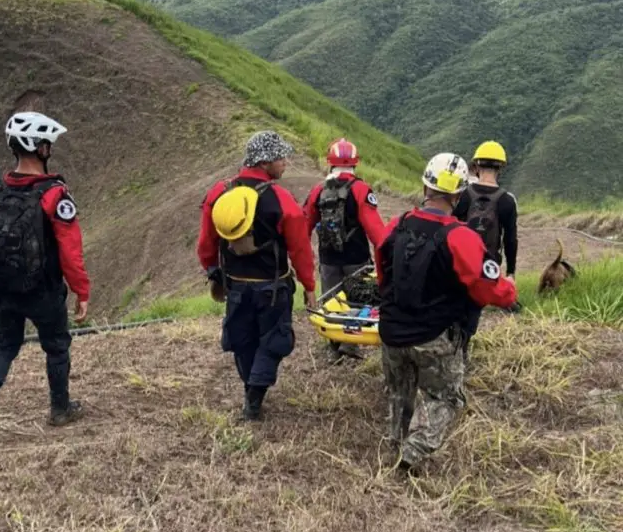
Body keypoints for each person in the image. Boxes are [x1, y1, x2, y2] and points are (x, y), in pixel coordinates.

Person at [375, 153, 517, 473]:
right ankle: (411, 455)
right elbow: (486, 288)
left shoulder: (395, 226)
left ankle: (395, 443)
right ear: (458, 195)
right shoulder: (460, 237)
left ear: (425, 185)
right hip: (434, 335)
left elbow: (383, 274)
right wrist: (509, 290)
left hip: (392, 331)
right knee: (446, 398)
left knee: (399, 393)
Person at [0, 111, 91, 441]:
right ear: (39, 147)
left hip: (2, 288)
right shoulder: (54, 195)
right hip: (43, 290)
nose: (50, 148)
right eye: (47, 143)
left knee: (3, 346)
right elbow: (70, 251)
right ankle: (60, 409)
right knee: (57, 346)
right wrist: (81, 291)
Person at [197, 130, 317, 421]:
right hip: (273, 288)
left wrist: (213, 271)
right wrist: (309, 286)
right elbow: (299, 248)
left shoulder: (219, 193)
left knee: (243, 340)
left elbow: (206, 243)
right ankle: (254, 397)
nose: (286, 163)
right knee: (273, 340)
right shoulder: (282, 199)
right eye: (281, 157)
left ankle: (251, 389)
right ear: (265, 162)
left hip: (236, 286)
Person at [303, 138, 385, 360]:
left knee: (331, 301)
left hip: (328, 259)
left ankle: (334, 346)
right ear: (355, 164)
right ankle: (351, 346)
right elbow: (376, 233)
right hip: (356, 258)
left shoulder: (317, 191)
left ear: (330, 163)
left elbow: (304, 226)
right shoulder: (360, 189)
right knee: (356, 300)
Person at [453, 140, 519, 356]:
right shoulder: (507, 201)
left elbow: (450, 228)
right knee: (473, 308)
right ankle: (463, 347)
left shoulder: (462, 195)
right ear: (500, 168)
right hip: (487, 266)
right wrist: (510, 272)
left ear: (476, 166)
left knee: (453, 305)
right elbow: (510, 239)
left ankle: (452, 346)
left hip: (459, 260)